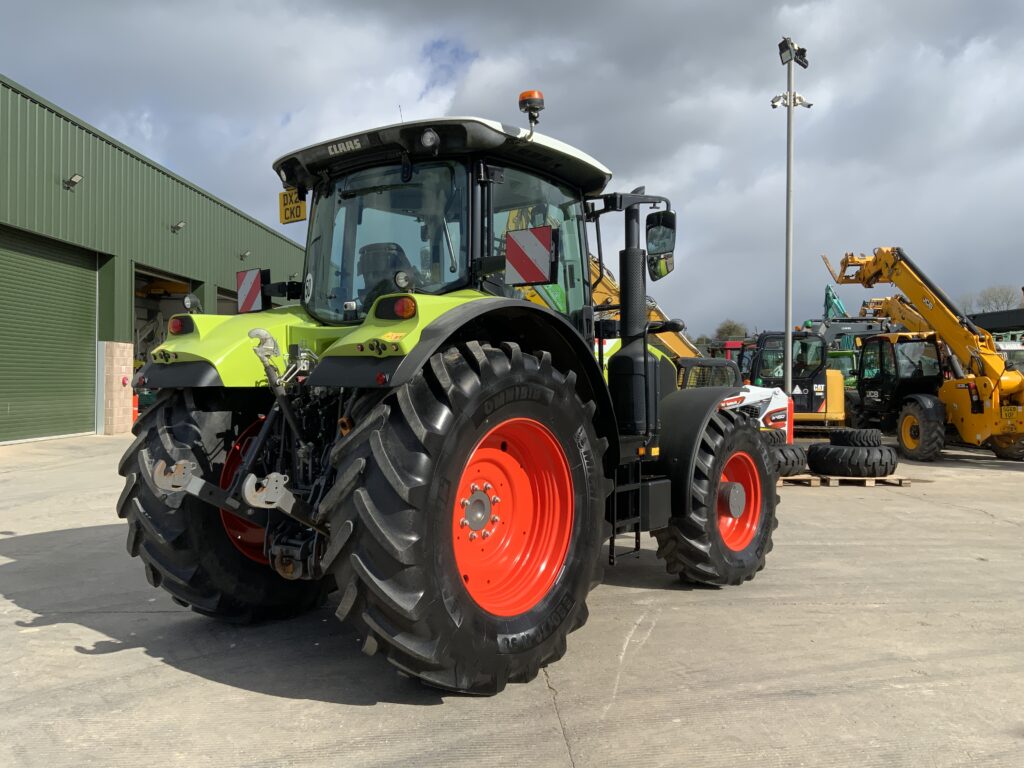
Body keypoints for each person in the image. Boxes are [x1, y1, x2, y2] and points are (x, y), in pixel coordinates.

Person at [357, 242, 414, 309]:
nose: (369, 277)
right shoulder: (359, 313)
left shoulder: (414, 302)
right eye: (366, 274)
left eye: (375, 274)